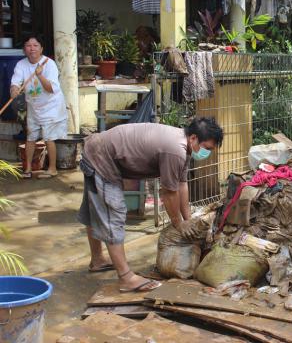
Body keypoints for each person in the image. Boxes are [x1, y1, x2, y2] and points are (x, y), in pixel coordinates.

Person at [78, 118, 223, 292]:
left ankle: (98, 260)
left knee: (94, 209)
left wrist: (188, 219)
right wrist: (178, 224)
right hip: (101, 157)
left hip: (99, 150)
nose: (207, 153)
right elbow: (169, 193)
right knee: (113, 214)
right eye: (207, 148)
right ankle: (126, 278)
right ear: (193, 138)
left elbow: (182, 184)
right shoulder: (175, 151)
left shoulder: (183, 147)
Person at [10, 36, 68, 179]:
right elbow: (15, 83)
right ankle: (28, 168)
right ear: (24, 49)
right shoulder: (21, 64)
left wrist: (40, 75)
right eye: (28, 45)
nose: (32, 48)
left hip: (51, 105)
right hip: (34, 105)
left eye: (35, 45)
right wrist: (14, 91)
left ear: (41, 48)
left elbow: (50, 89)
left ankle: (52, 169)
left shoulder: (50, 64)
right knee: (30, 137)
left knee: (49, 137)